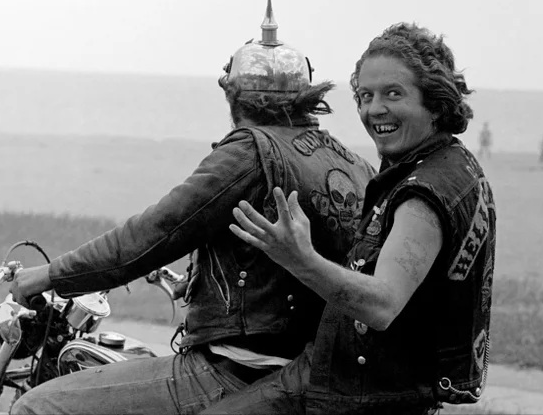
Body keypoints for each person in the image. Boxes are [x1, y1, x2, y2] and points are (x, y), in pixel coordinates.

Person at [8, 0, 376, 415]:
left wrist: (48, 275)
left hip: (240, 369)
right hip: (310, 371)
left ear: (232, 95)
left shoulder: (248, 153)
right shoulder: (352, 161)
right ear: (307, 95)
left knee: (38, 406)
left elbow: (150, 235)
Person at [204, 22, 497, 414]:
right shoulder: (456, 164)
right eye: (365, 95)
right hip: (363, 382)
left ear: (435, 100)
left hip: (357, 394)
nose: (374, 109)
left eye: (393, 93)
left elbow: (382, 305)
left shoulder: (422, 196)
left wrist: (298, 258)